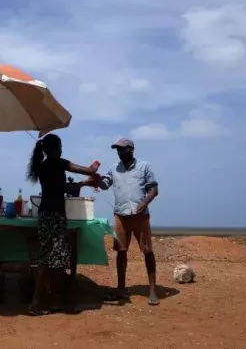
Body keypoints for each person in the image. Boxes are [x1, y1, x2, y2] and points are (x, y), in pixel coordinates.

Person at [26, 133, 100, 316]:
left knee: (46, 260)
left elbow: (62, 188)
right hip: (56, 216)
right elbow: (88, 170)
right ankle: (60, 301)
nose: (62, 150)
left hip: (44, 215)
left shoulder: (42, 166)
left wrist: (83, 184)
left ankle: (39, 302)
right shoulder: (60, 163)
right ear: (52, 149)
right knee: (58, 262)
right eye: (60, 147)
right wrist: (95, 168)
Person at [86, 138, 159, 306]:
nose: (119, 152)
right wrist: (96, 180)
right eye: (117, 150)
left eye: (122, 149)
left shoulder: (144, 166)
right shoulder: (114, 169)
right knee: (121, 251)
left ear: (131, 149)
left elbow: (154, 189)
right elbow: (105, 185)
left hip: (140, 215)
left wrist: (145, 203)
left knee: (147, 251)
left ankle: (153, 290)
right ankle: (120, 288)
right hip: (120, 215)